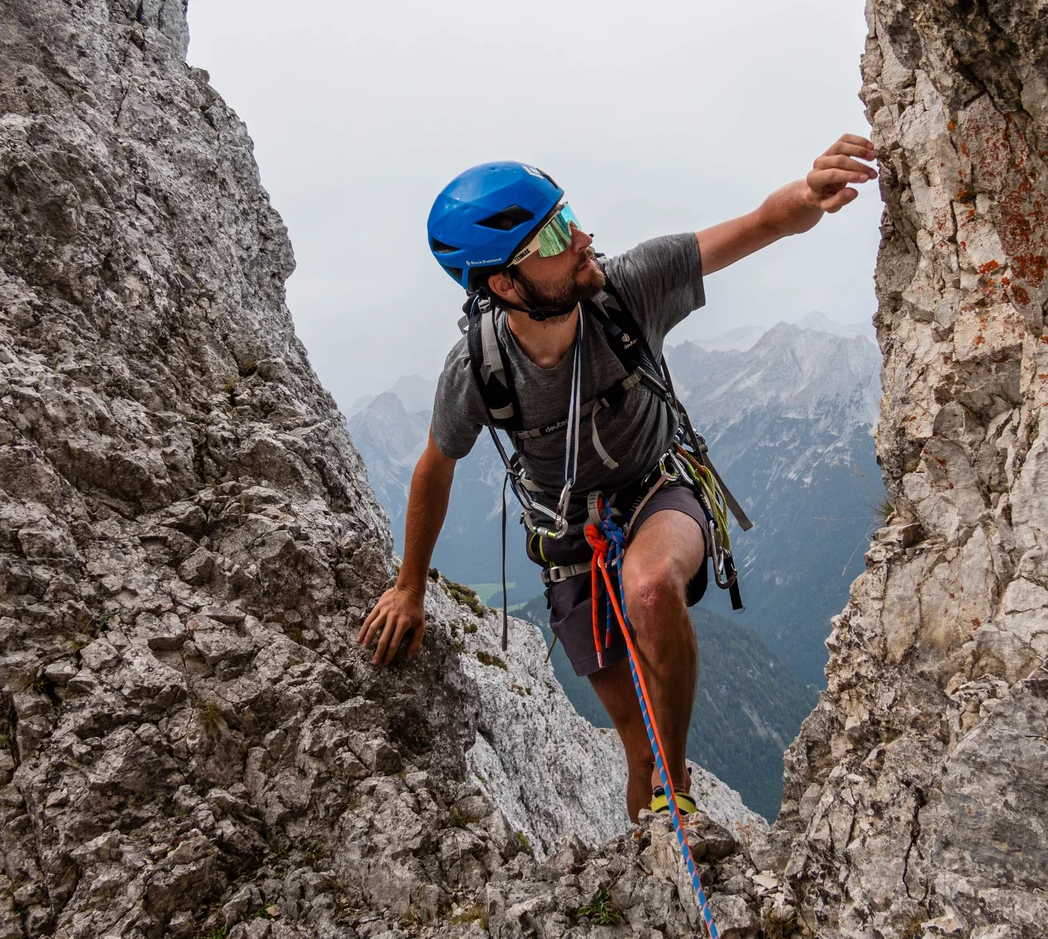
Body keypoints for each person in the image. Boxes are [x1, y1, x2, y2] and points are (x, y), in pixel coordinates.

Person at [357, 135, 877, 823]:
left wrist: (809, 195)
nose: (582, 238)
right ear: (506, 285)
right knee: (635, 757)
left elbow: (760, 224)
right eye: (554, 235)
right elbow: (433, 467)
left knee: (651, 586)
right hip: (568, 539)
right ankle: (654, 827)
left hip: (662, 487)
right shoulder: (479, 369)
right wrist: (408, 589)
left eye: (568, 216)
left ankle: (676, 777)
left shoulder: (629, 286)